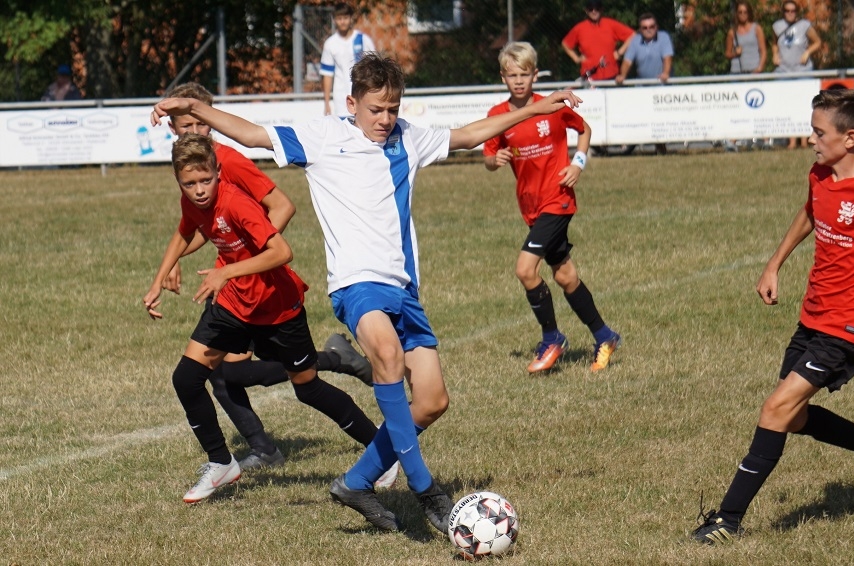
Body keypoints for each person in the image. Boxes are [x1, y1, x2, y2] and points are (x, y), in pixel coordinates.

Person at [150, 53, 583, 532]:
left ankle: (356, 481)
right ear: (352, 103)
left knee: (432, 401)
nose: (385, 119)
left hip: (405, 290)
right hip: (356, 284)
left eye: (393, 109)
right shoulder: (322, 137)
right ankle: (427, 491)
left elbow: (468, 134)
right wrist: (195, 107)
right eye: (376, 110)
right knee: (387, 355)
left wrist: (534, 109)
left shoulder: (408, 138)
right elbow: (252, 134)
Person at [691, 88, 854, 544]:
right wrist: (774, 263)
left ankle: (727, 520)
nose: (810, 139)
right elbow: (811, 211)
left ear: (850, 138)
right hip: (814, 314)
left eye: (819, 133)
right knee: (793, 415)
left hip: (849, 326)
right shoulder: (820, 173)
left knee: (776, 409)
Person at [143, 134, 394, 503]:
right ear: (178, 181)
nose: (198, 190)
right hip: (233, 303)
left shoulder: (236, 203)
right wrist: (158, 279)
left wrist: (227, 271)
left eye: (205, 180)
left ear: (218, 172)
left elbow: (282, 251)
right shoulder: (193, 200)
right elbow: (185, 231)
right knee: (187, 378)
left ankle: (382, 452)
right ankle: (221, 462)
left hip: (277, 306)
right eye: (189, 184)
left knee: (307, 388)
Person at [484, 42, 621, 374]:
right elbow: (488, 158)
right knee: (565, 276)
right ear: (503, 77)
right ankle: (605, 336)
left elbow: (584, 129)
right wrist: (495, 159)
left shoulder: (552, 107)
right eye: (512, 75)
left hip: (558, 201)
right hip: (531, 208)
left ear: (535, 74)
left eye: (524, 74)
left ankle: (552, 338)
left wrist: (578, 163)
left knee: (525, 269)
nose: (518, 81)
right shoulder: (498, 116)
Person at [615, 13, 673, 155]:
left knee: (659, 118)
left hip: (660, 85)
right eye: (645, 27)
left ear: (656, 27)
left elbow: (667, 58)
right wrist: (622, 75)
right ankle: (632, 142)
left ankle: (660, 146)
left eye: (652, 26)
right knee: (637, 114)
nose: (649, 30)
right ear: (640, 29)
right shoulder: (635, 41)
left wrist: (666, 73)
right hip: (642, 86)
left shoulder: (664, 37)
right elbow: (627, 61)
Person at [772, 1, 822, 149]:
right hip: (784, 70)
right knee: (787, 104)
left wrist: (807, 52)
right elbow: (774, 43)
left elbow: (817, 42)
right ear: (783, 12)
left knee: (805, 104)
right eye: (787, 11)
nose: (790, 13)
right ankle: (792, 141)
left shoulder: (804, 25)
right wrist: (775, 54)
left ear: (797, 12)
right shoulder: (777, 26)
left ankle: (804, 139)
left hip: (803, 70)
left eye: (793, 11)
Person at [320, 2, 376, 117]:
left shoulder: (363, 40)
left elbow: (375, 68)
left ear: (351, 18)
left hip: (363, 94)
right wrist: (326, 102)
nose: (343, 22)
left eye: (345, 18)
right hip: (341, 98)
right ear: (334, 20)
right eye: (339, 18)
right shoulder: (330, 44)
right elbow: (327, 75)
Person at [561, 0, 634, 82]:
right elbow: (565, 44)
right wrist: (576, 58)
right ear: (586, 11)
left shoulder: (610, 24)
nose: (594, 11)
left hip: (611, 74)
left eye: (597, 8)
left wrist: (619, 52)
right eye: (590, 9)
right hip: (589, 76)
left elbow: (633, 35)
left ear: (601, 10)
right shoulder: (579, 28)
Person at [725, 1, 766, 75]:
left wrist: (760, 67)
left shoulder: (756, 28)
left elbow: (763, 51)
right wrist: (735, 54)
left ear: (749, 13)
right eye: (740, 12)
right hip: (737, 71)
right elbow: (727, 53)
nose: (742, 15)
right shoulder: (732, 32)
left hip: (754, 70)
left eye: (745, 12)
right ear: (737, 14)